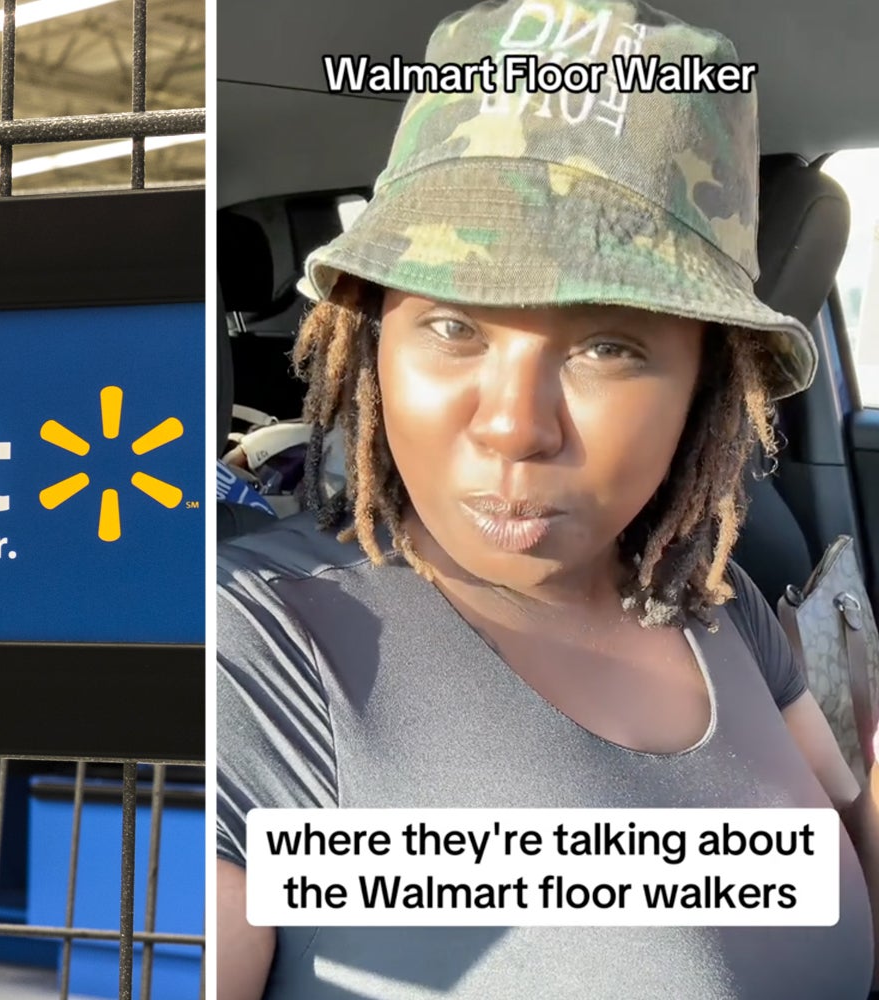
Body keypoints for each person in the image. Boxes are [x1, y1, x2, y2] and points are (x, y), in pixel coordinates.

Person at [216, 2, 879, 997]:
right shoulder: (260, 651)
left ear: (702, 385)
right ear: (371, 337)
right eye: (450, 326)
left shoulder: (715, 605)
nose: (513, 425)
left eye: (606, 346)